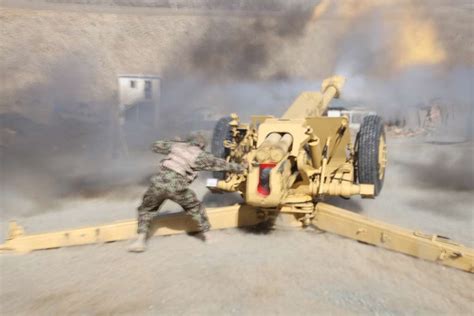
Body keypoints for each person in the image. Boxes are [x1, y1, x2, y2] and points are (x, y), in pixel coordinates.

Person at [128, 134, 245, 252]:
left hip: (157, 185)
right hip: (177, 187)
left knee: (146, 210)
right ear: (201, 145)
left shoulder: (176, 147)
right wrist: (241, 167)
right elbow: (221, 164)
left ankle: (140, 240)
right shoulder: (200, 155)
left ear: (188, 142)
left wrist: (176, 141)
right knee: (195, 208)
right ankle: (208, 237)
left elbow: (155, 145)